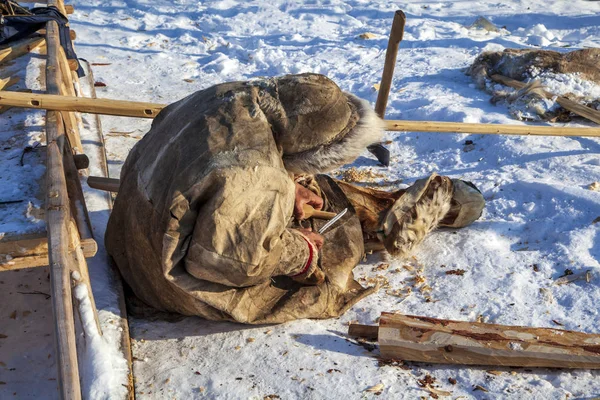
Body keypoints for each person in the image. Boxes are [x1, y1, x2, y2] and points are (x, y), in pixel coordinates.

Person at [105, 73, 484, 324]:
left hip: (129, 228)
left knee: (317, 198)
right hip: (158, 273)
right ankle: (377, 223)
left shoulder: (231, 96)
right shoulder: (256, 177)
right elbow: (225, 262)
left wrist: (290, 186)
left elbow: (213, 164)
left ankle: (379, 211)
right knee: (328, 254)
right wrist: (298, 253)